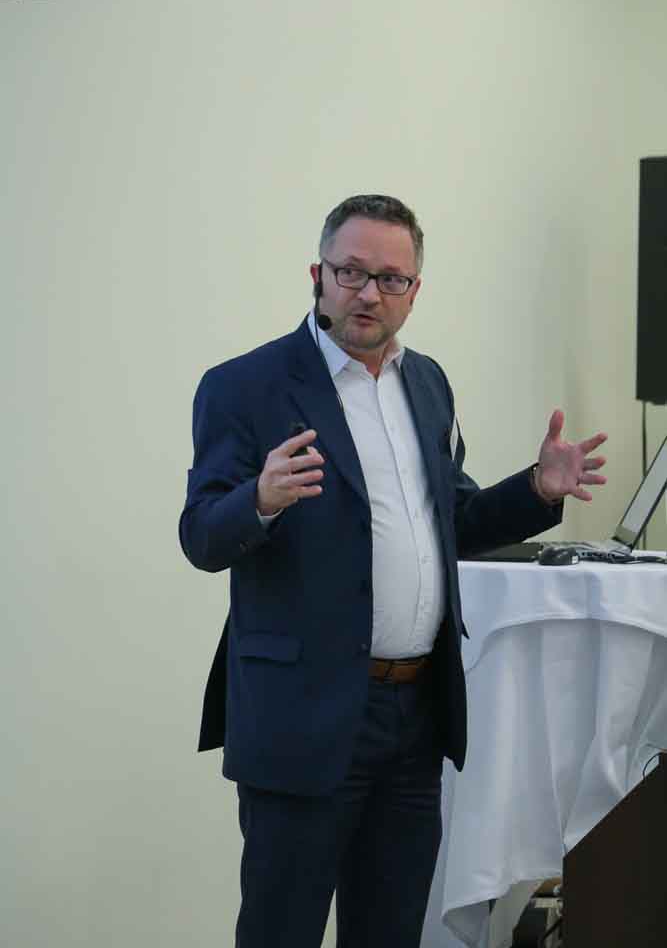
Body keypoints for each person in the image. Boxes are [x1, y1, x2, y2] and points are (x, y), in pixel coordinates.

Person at [179, 194, 607, 948]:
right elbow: (201, 535)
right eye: (350, 272)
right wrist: (260, 499)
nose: (368, 293)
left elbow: (453, 522)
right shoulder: (244, 385)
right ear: (318, 275)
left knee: (389, 931)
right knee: (280, 930)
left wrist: (537, 490)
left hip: (413, 717)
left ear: (414, 291)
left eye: (390, 279)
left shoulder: (427, 383)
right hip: (303, 717)